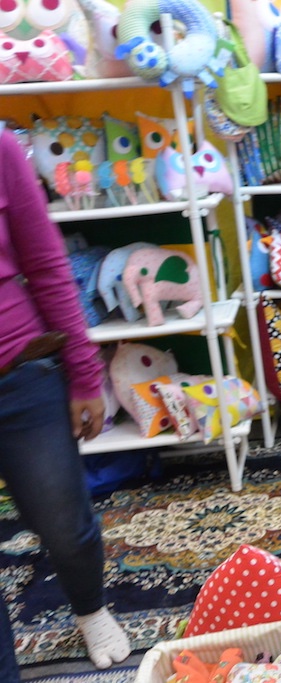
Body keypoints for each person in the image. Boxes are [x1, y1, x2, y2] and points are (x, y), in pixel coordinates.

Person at [0, 126, 131, 676]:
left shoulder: (3, 149)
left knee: (62, 522)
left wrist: (83, 375)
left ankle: (90, 606)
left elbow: (49, 267)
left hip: (20, 373)